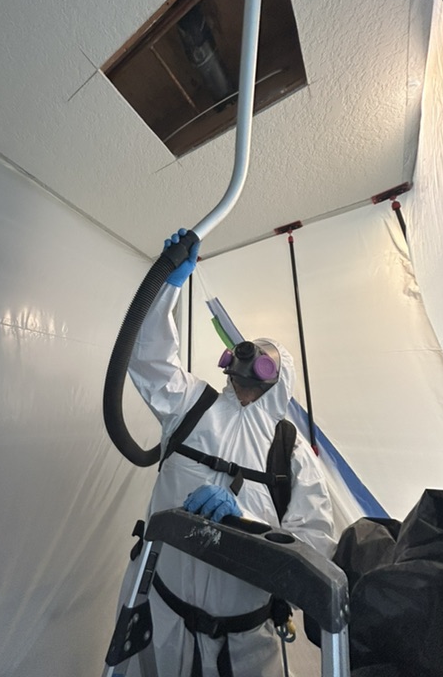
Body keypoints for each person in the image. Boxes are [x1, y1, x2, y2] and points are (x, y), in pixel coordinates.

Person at [119, 230, 336, 677]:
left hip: (245, 644)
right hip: (163, 616)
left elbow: (317, 550)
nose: (246, 371)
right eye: (242, 358)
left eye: (262, 363)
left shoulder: (291, 452)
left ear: (279, 380)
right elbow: (147, 358)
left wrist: (248, 526)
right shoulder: (190, 406)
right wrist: (167, 284)